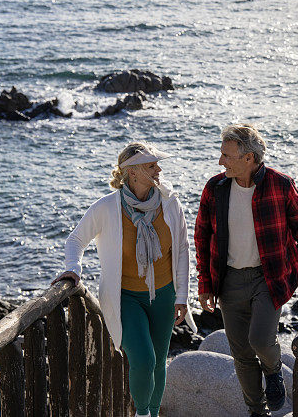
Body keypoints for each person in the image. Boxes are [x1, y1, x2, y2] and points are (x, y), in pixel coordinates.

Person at [194, 124, 298, 417]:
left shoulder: (280, 185)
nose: (221, 161)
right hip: (229, 280)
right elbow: (202, 236)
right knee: (242, 354)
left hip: (268, 276)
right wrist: (205, 283)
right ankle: (257, 411)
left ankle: (273, 370)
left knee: (260, 340)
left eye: (227, 156)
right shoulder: (215, 189)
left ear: (249, 158)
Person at [52, 142, 195, 417]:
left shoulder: (170, 202)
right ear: (132, 172)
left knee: (158, 364)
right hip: (124, 298)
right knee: (143, 360)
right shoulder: (106, 208)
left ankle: (153, 412)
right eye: (151, 165)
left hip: (164, 295)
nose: (159, 169)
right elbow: (76, 239)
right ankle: (142, 413)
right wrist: (74, 268)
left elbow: (182, 250)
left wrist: (182, 297)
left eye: (157, 164)